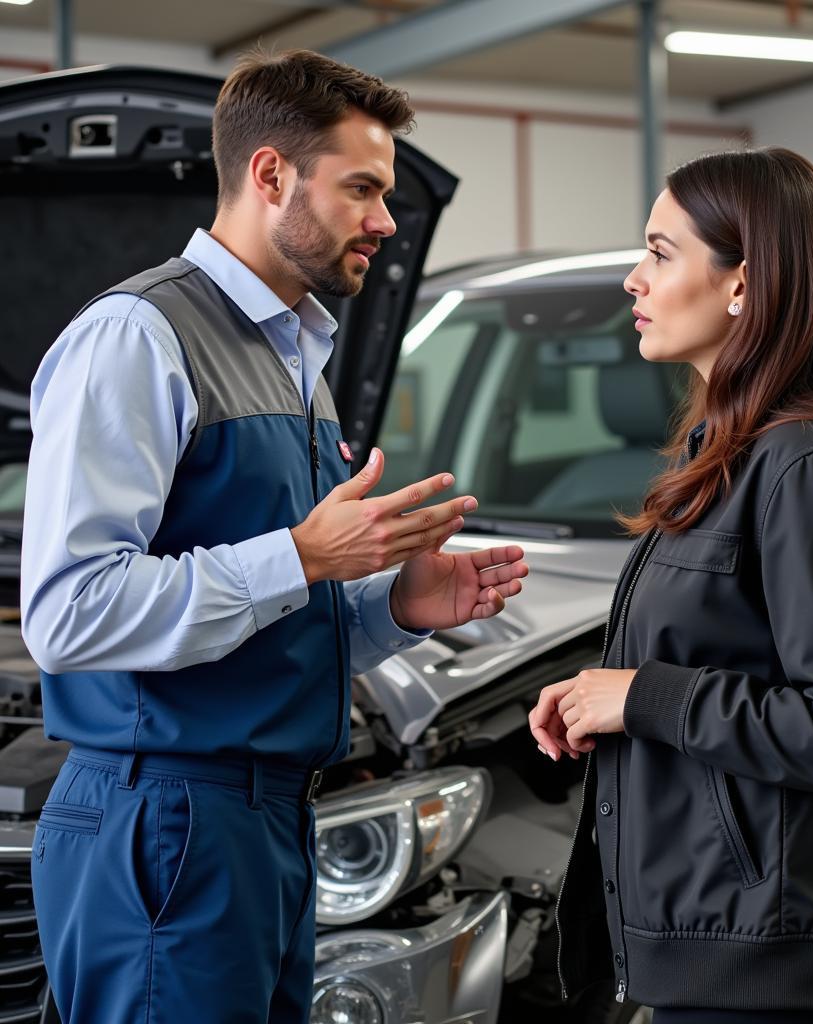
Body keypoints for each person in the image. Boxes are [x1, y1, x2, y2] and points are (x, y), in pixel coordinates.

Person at [21, 48, 528, 1024]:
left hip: (268, 820)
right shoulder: (138, 338)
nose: (384, 220)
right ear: (269, 175)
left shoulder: (294, 353)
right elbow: (67, 616)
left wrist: (390, 610)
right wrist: (301, 555)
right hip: (166, 820)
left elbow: (276, 608)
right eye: (362, 189)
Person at [529, 148, 813, 1024]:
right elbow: (726, 654)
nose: (635, 280)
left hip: (770, 967)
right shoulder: (726, 454)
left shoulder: (803, 465)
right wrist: (597, 695)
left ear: (743, 284)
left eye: (660, 252)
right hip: (712, 948)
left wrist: (644, 697)